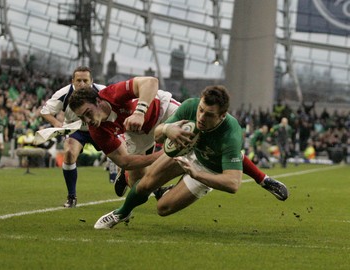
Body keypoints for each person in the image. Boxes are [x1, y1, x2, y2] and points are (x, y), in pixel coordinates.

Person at [93, 85, 289, 229]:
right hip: (187, 151)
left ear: (222, 116)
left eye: (209, 115)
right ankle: (122, 213)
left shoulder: (231, 133)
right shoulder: (190, 106)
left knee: (162, 208)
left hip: (207, 169)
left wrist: (196, 174)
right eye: (201, 110)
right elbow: (157, 134)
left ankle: (262, 179)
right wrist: (168, 129)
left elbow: (233, 184)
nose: (201, 117)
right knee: (145, 185)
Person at [68, 76, 179, 190]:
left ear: (98, 101)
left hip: (161, 110)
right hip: (137, 133)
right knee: (138, 185)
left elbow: (151, 81)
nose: (87, 120)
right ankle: (129, 178)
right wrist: (161, 156)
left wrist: (139, 112)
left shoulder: (112, 94)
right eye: (81, 117)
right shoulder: (96, 131)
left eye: (88, 113)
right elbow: (124, 161)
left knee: (192, 132)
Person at [41, 66, 111, 208]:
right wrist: (56, 123)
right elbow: (45, 111)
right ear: (72, 80)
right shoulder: (64, 93)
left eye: (85, 80)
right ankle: (71, 196)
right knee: (68, 153)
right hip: (76, 129)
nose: (82, 84)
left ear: (91, 81)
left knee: (123, 159)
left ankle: (150, 187)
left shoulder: (103, 91)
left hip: (99, 127)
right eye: (78, 80)